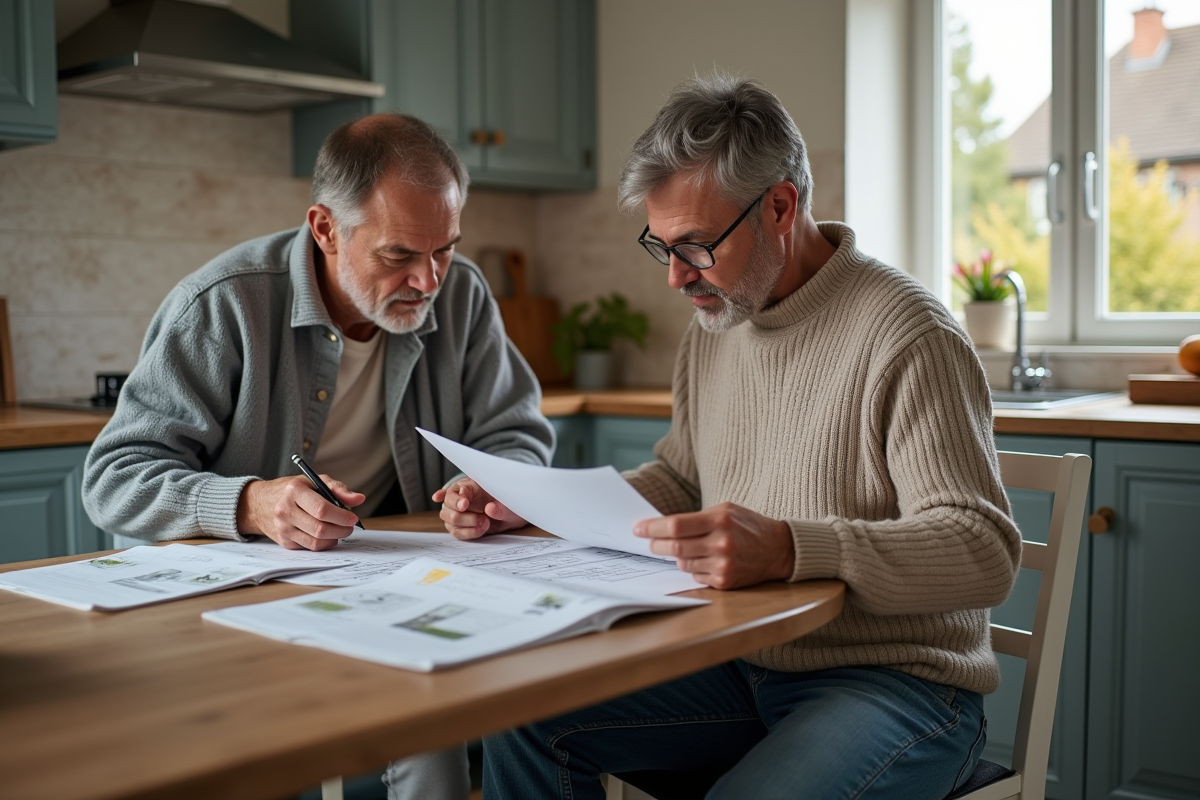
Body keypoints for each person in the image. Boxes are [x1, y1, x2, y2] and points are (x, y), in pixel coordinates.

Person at [481, 76, 1022, 799]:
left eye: (697, 247)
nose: (676, 277)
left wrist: (796, 548)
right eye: (663, 245)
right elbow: (681, 480)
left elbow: (982, 550)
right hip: (742, 664)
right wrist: (534, 504)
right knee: (522, 712)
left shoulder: (907, 333)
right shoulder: (719, 324)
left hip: (901, 687)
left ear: (779, 206)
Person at [82, 113, 552, 800]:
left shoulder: (466, 294)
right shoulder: (223, 304)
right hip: (241, 605)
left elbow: (519, 437)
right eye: (399, 255)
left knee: (436, 725)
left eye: (445, 249)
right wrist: (252, 503)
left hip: (403, 588)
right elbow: (113, 479)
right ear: (326, 228)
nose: (428, 280)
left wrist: (489, 486)